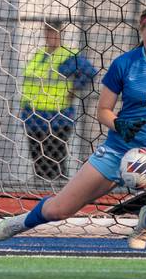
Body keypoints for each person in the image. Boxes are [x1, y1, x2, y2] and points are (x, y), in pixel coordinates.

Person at [0, 4, 146, 250]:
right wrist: (119, 125)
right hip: (117, 150)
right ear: (141, 32)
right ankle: (21, 222)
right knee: (60, 210)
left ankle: (145, 222)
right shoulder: (124, 64)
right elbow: (103, 110)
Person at [21, 20, 96, 180]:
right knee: (38, 162)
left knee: (54, 161)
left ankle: (57, 196)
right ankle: (41, 195)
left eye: (54, 32)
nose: (50, 36)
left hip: (57, 117)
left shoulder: (67, 56)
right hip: (33, 116)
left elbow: (89, 72)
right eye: (47, 32)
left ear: (61, 33)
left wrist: (73, 90)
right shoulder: (40, 54)